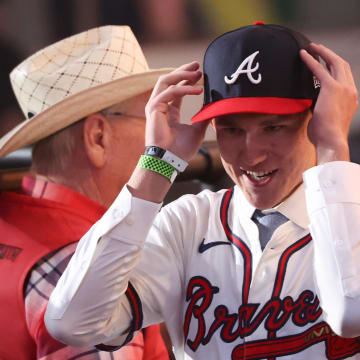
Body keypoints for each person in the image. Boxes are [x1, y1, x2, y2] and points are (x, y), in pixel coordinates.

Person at [44, 22, 359, 359]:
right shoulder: (188, 222)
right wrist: (156, 166)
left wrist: (333, 150)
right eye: (232, 130)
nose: (252, 154)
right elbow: (72, 323)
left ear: (319, 117)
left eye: (273, 127)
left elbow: (350, 314)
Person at [0, 25, 173, 359]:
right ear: (98, 137)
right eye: (150, 116)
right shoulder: (90, 269)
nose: (160, 133)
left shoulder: (10, 219)